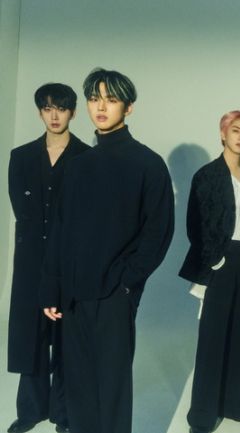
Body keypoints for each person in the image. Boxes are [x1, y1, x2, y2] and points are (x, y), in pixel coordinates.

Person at [39, 68, 175, 433]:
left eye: (111, 99)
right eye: (94, 99)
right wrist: (52, 288)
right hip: (73, 294)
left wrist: (127, 282)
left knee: (112, 386)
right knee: (79, 383)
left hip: (115, 293)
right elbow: (60, 233)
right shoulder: (77, 165)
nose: (101, 107)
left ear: (128, 108)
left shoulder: (147, 164)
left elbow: (158, 232)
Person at [7, 83, 89, 433]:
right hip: (30, 261)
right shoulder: (21, 156)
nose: (54, 116)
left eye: (61, 108)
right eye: (47, 108)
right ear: (40, 111)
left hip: (70, 262)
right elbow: (22, 210)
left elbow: (88, 216)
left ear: (73, 112)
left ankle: (64, 413)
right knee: (30, 334)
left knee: (67, 335)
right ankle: (30, 410)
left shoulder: (87, 158)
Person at [179, 110, 240, 433]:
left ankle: (232, 404)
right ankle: (202, 416)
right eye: (236, 130)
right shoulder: (206, 175)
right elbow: (195, 226)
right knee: (212, 340)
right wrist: (214, 260)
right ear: (223, 133)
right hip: (220, 263)